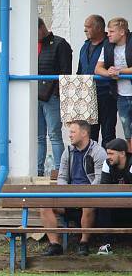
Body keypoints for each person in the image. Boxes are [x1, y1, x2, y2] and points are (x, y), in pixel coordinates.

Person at [40, 120, 105, 257]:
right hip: (69, 198)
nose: (69, 135)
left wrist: (85, 195)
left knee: (88, 205)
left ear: (84, 133)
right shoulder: (68, 152)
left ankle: (84, 243)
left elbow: (99, 180)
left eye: (72, 132)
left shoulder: (98, 152)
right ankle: (55, 245)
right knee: (44, 206)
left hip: (90, 198)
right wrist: (65, 194)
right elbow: (62, 177)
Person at [37, 18, 73, 176]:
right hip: (34, 95)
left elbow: (65, 71)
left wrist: (58, 93)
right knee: (38, 136)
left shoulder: (59, 43)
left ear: (42, 27)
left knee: (54, 134)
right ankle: (37, 170)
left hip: (52, 96)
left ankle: (60, 171)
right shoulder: (31, 44)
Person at [78, 15, 115, 146]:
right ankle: (91, 166)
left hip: (106, 95)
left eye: (88, 27)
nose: (84, 30)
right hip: (88, 96)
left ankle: (107, 166)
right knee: (89, 135)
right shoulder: (84, 46)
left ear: (98, 28)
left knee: (108, 133)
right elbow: (80, 72)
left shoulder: (110, 45)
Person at [95, 17, 132, 147]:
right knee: (128, 134)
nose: (108, 34)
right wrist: (109, 73)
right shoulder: (108, 46)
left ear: (122, 32)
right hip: (121, 96)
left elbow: (120, 71)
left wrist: (120, 71)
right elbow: (98, 69)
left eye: (111, 31)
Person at [97, 137, 132, 255]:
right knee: (103, 206)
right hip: (115, 205)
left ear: (122, 153)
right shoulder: (107, 164)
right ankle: (105, 245)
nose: (108, 157)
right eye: (108, 153)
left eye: (111, 153)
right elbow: (105, 188)